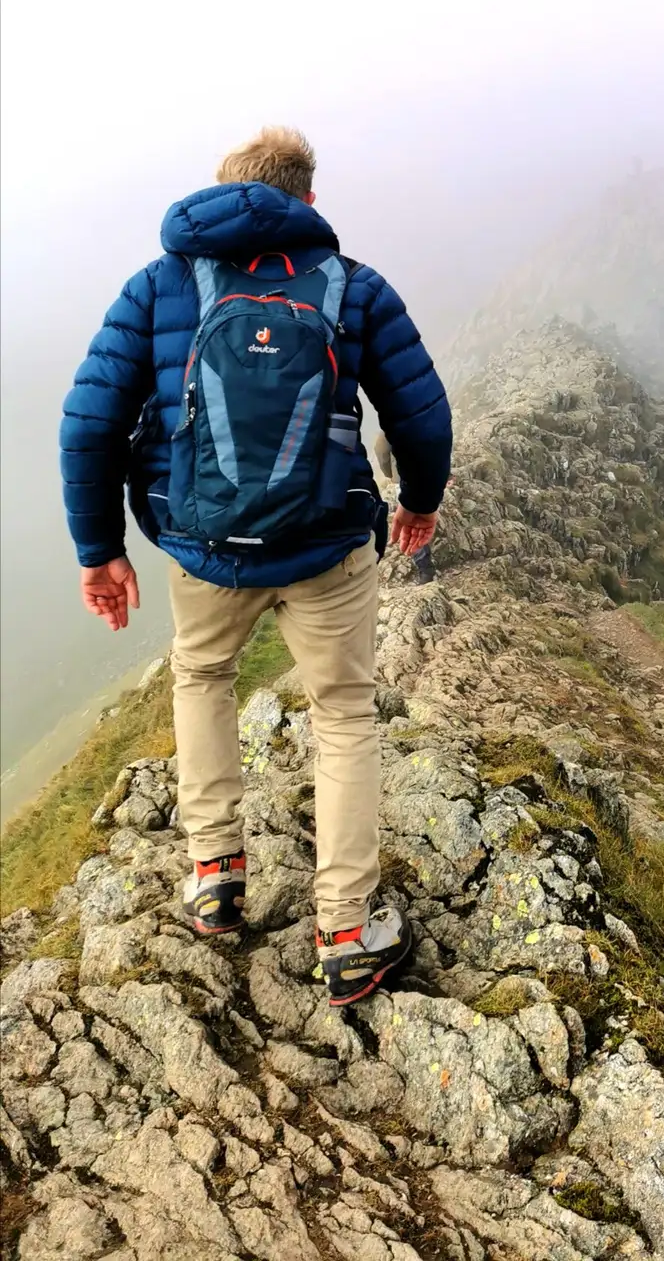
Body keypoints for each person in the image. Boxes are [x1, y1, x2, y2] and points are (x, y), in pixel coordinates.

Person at [59, 127, 452, 1006]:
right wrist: (417, 501)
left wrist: (100, 553)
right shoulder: (354, 286)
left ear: (219, 192)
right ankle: (347, 928)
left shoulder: (158, 286)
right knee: (343, 713)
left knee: (201, 676)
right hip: (327, 549)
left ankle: (214, 877)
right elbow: (423, 415)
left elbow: (87, 426)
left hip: (202, 547)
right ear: (307, 201)